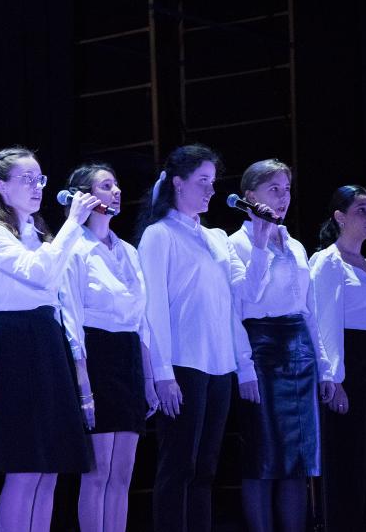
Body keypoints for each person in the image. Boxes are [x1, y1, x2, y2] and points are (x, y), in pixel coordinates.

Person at [137, 144, 273, 532]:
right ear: (178, 183)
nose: (211, 190)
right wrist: (162, 374)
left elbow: (247, 294)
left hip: (218, 366)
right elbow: (153, 308)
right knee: (177, 465)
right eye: (202, 181)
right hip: (182, 364)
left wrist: (261, 241)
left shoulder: (216, 238)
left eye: (213, 182)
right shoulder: (159, 235)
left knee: (206, 468)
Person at [0, 147, 98, 532]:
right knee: (25, 467)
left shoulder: (39, 234)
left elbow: (58, 293)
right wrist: (73, 224)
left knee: (48, 469)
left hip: (44, 340)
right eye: (26, 179)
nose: (36, 186)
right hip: (14, 344)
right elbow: (38, 273)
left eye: (39, 179)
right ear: (1, 186)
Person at [228, 159, 336, 532]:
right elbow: (243, 304)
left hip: (300, 352)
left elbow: (309, 309)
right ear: (250, 195)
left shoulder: (296, 245)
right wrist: (245, 368)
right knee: (262, 458)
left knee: (298, 461)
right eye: (273, 189)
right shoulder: (235, 244)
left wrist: (324, 367)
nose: (283, 197)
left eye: (286, 189)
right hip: (261, 350)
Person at [59, 163, 158, 532]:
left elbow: (142, 320)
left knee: (123, 473)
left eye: (116, 185)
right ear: (84, 196)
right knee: (98, 471)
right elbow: (71, 318)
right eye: (105, 185)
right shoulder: (74, 248)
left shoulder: (128, 251)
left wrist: (148, 378)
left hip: (128, 357)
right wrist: (84, 386)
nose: (116, 191)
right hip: (96, 356)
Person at [309, 185, 366, 531]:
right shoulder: (327, 262)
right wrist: (333, 378)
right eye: (361, 210)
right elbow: (323, 323)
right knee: (349, 458)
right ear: (340, 217)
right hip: (348, 367)